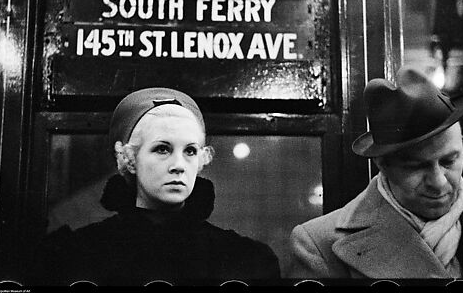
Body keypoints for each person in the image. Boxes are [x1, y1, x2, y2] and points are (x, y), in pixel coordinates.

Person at [28, 88, 280, 285]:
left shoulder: (246, 259)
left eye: (190, 151)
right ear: (129, 159)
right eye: (162, 149)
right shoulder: (73, 255)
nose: (178, 165)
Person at [287, 67, 463, 279]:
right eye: (416, 167)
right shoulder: (318, 245)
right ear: (382, 164)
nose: (438, 182)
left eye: (449, 160)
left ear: (462, 147)